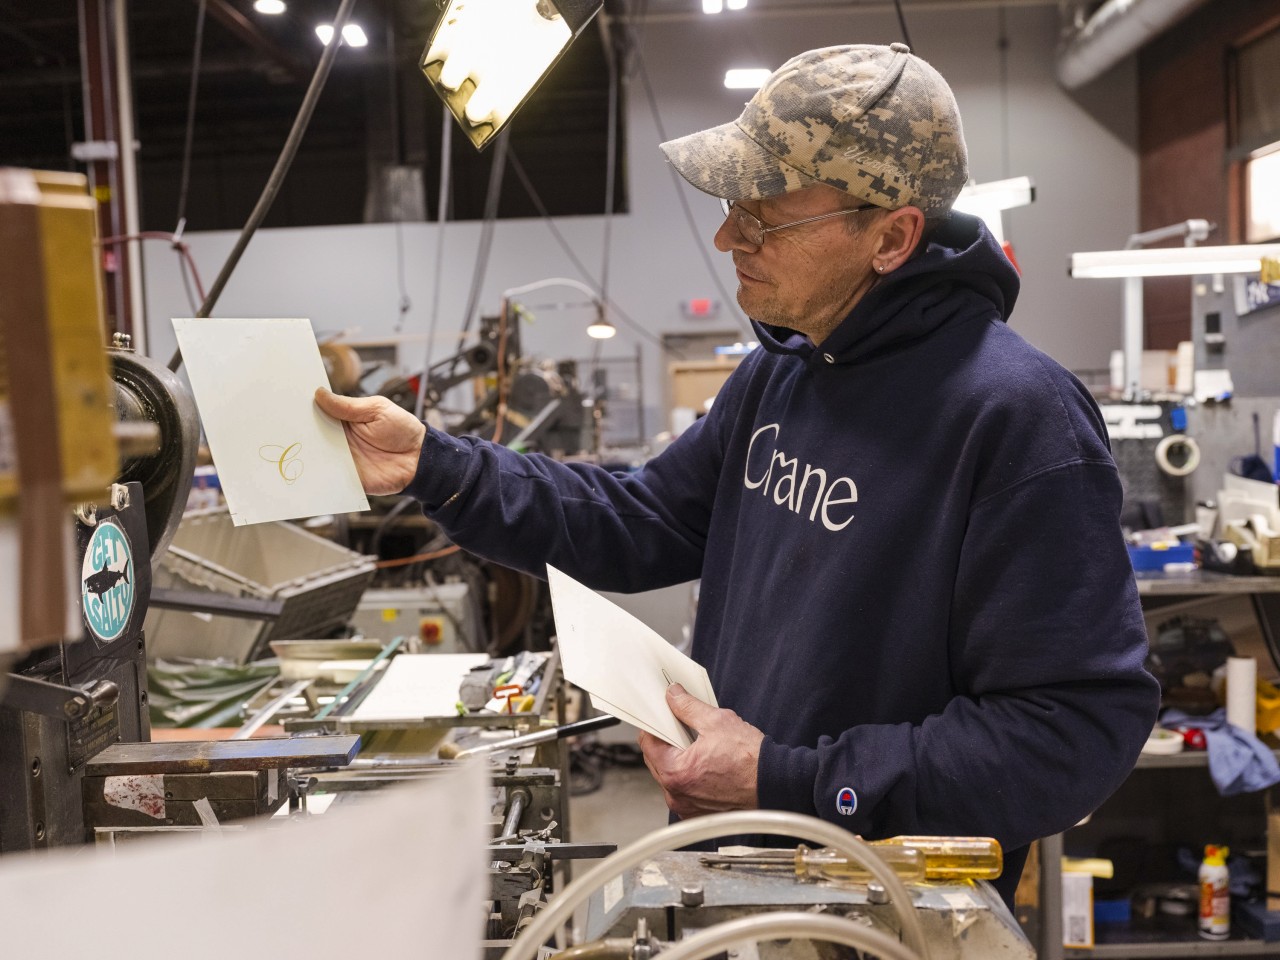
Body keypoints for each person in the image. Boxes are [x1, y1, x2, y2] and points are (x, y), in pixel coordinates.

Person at [316, 42, 1159, 906]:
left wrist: (785, 779)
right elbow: (643, 518)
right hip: (737, 877)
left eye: (764, 217)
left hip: (889, 910)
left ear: (892, 236)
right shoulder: (788, 370)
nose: (728, 237)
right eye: (733, 207)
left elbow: (1068, 735)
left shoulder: (1016, 419)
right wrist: (437, 464)